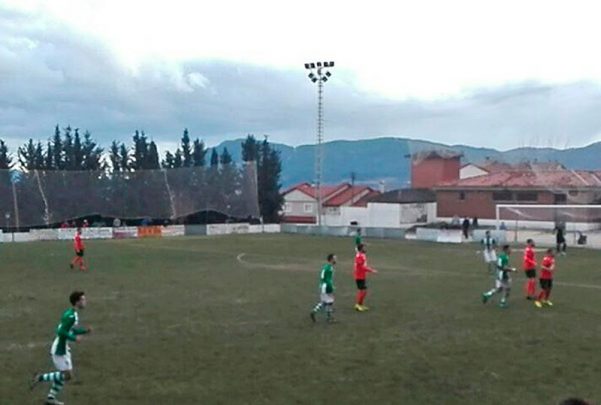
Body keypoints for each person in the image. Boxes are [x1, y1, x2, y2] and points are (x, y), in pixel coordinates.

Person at [30, 291, 92, 405]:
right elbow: (61, 331)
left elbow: (70, 330)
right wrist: (74, 338)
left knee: (65, 376)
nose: (85, 301)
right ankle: (40, 378)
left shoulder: (72, 313)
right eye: (83, 299)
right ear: (77, 302)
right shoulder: (71, 316)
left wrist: (84, 331)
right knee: (66, 375)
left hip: (63, 347)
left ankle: (50, 398)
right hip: (60, 349)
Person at [310, 254, 337, 323]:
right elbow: (328, 279)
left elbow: (322, 277)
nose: (336, 260)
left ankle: (314, 311)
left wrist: (322, 284)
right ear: (331, 259)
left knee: (325, 302)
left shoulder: (325, 267)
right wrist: (331, 286)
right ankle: (329, 318)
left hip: (323, 286)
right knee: (329, 302)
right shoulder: (330, 268)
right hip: (327, 286)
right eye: (334, 258)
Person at [354, 243, 378, 312]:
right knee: (363, 291)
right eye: (364, 248)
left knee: (363, 291)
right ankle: (358, 305)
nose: (365, 249)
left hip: (362, 275)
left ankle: (360, 305)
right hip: (359, 276)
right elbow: (361, 267)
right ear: (361, 249)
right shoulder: (359, 256)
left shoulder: (362, 255)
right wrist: (371, 270)